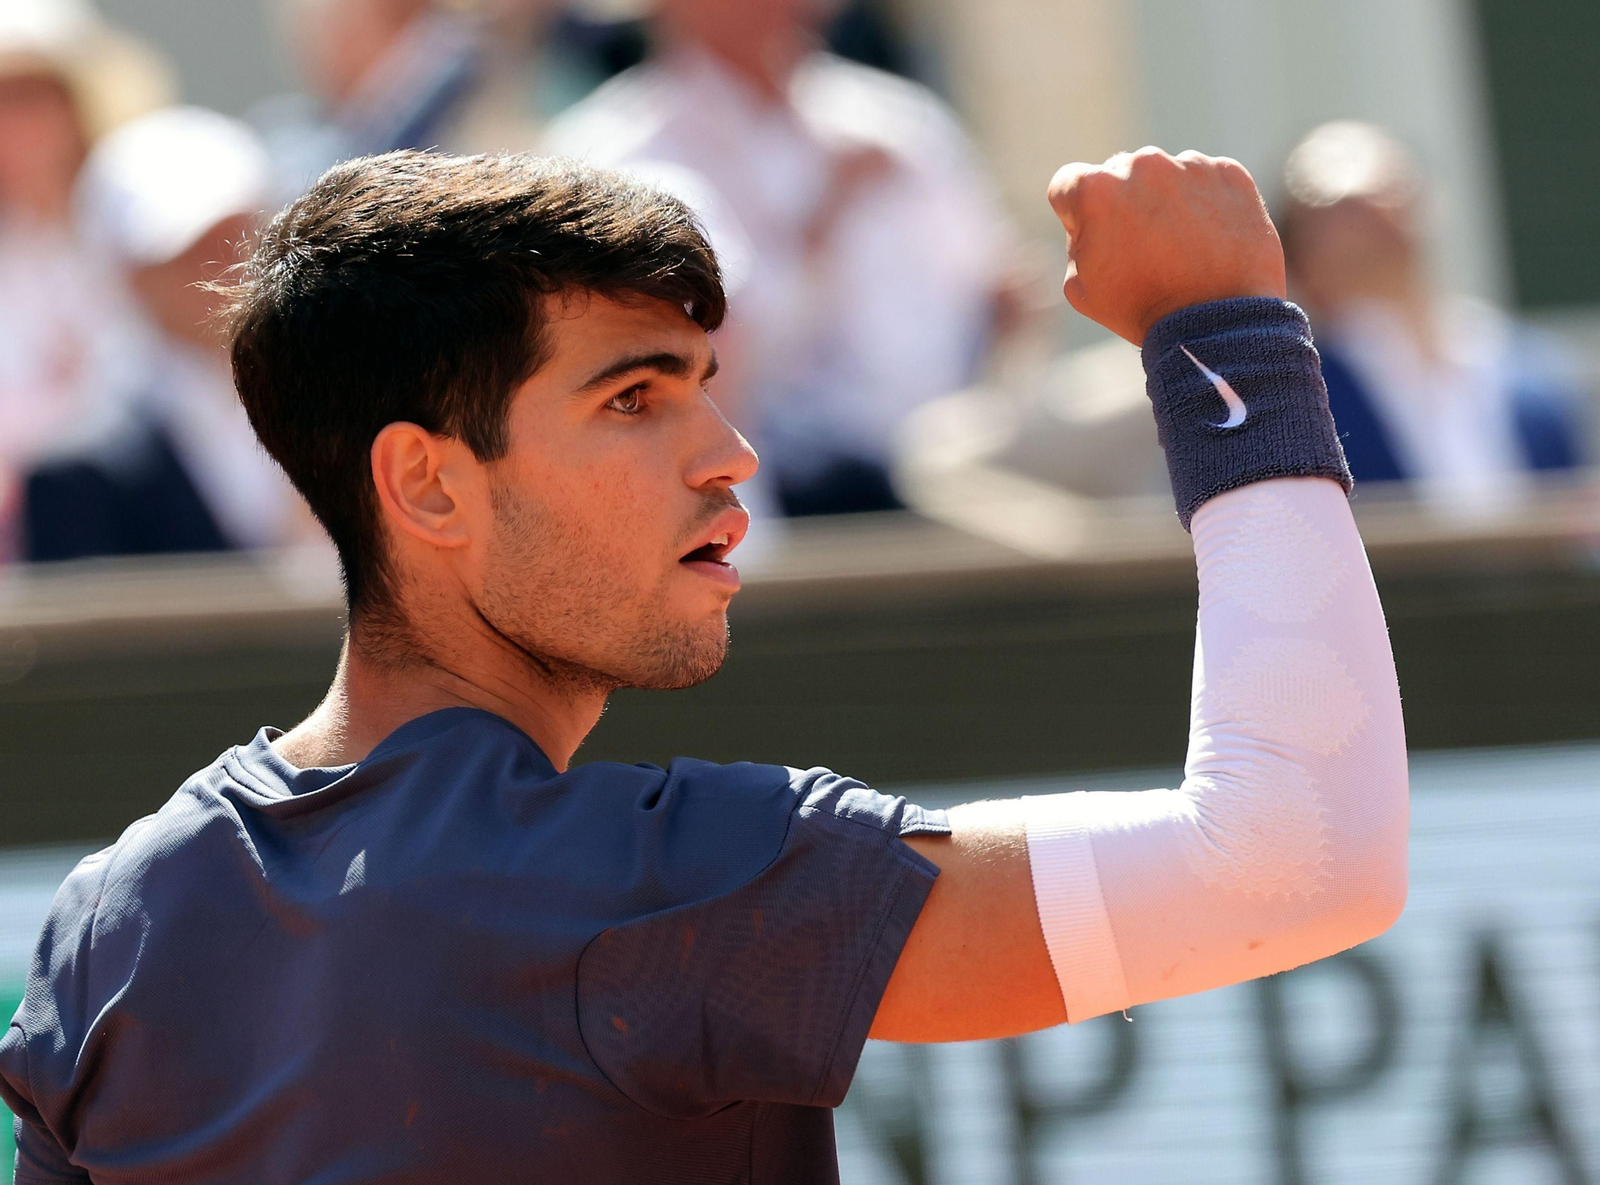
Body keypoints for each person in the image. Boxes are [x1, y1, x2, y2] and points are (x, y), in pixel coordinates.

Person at [0, 146, 1408, 1182]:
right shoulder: (651, 890)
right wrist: (1225, 341)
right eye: (632, 396)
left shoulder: (102, 929)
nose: (728, 454)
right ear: (425, 486)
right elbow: (1295, 855)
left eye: (705, 384)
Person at [544, 0, 1028, 518]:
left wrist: (998, 393)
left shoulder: (902, 123)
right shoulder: (616, 154)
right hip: (776, 492)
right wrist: (822, 219)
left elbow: (1003, 289)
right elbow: (707, 354)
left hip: (963, 456)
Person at [23, 107, 308, 562]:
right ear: (125, 274)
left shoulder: (354, 408)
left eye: (240, 234)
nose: (228, 267)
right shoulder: (79, 469)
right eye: (188, 252)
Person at [1280, 121, 1588, 520]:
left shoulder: (1528, 370)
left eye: (1388, 185)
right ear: (1301, 259)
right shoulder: (1298, 394)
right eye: (1336, 209)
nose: (1373, 209)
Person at [0, 0, 172, 556]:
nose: (12, 123)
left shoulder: (136, 220)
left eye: (30, 98)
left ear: (76, 106)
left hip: (142, 511)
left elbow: (151, 387)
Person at [254, 0, 570, 203]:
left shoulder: (506, 95)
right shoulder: (289, 143)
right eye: (399, 19)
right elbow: (362, 183)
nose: (418, 39)